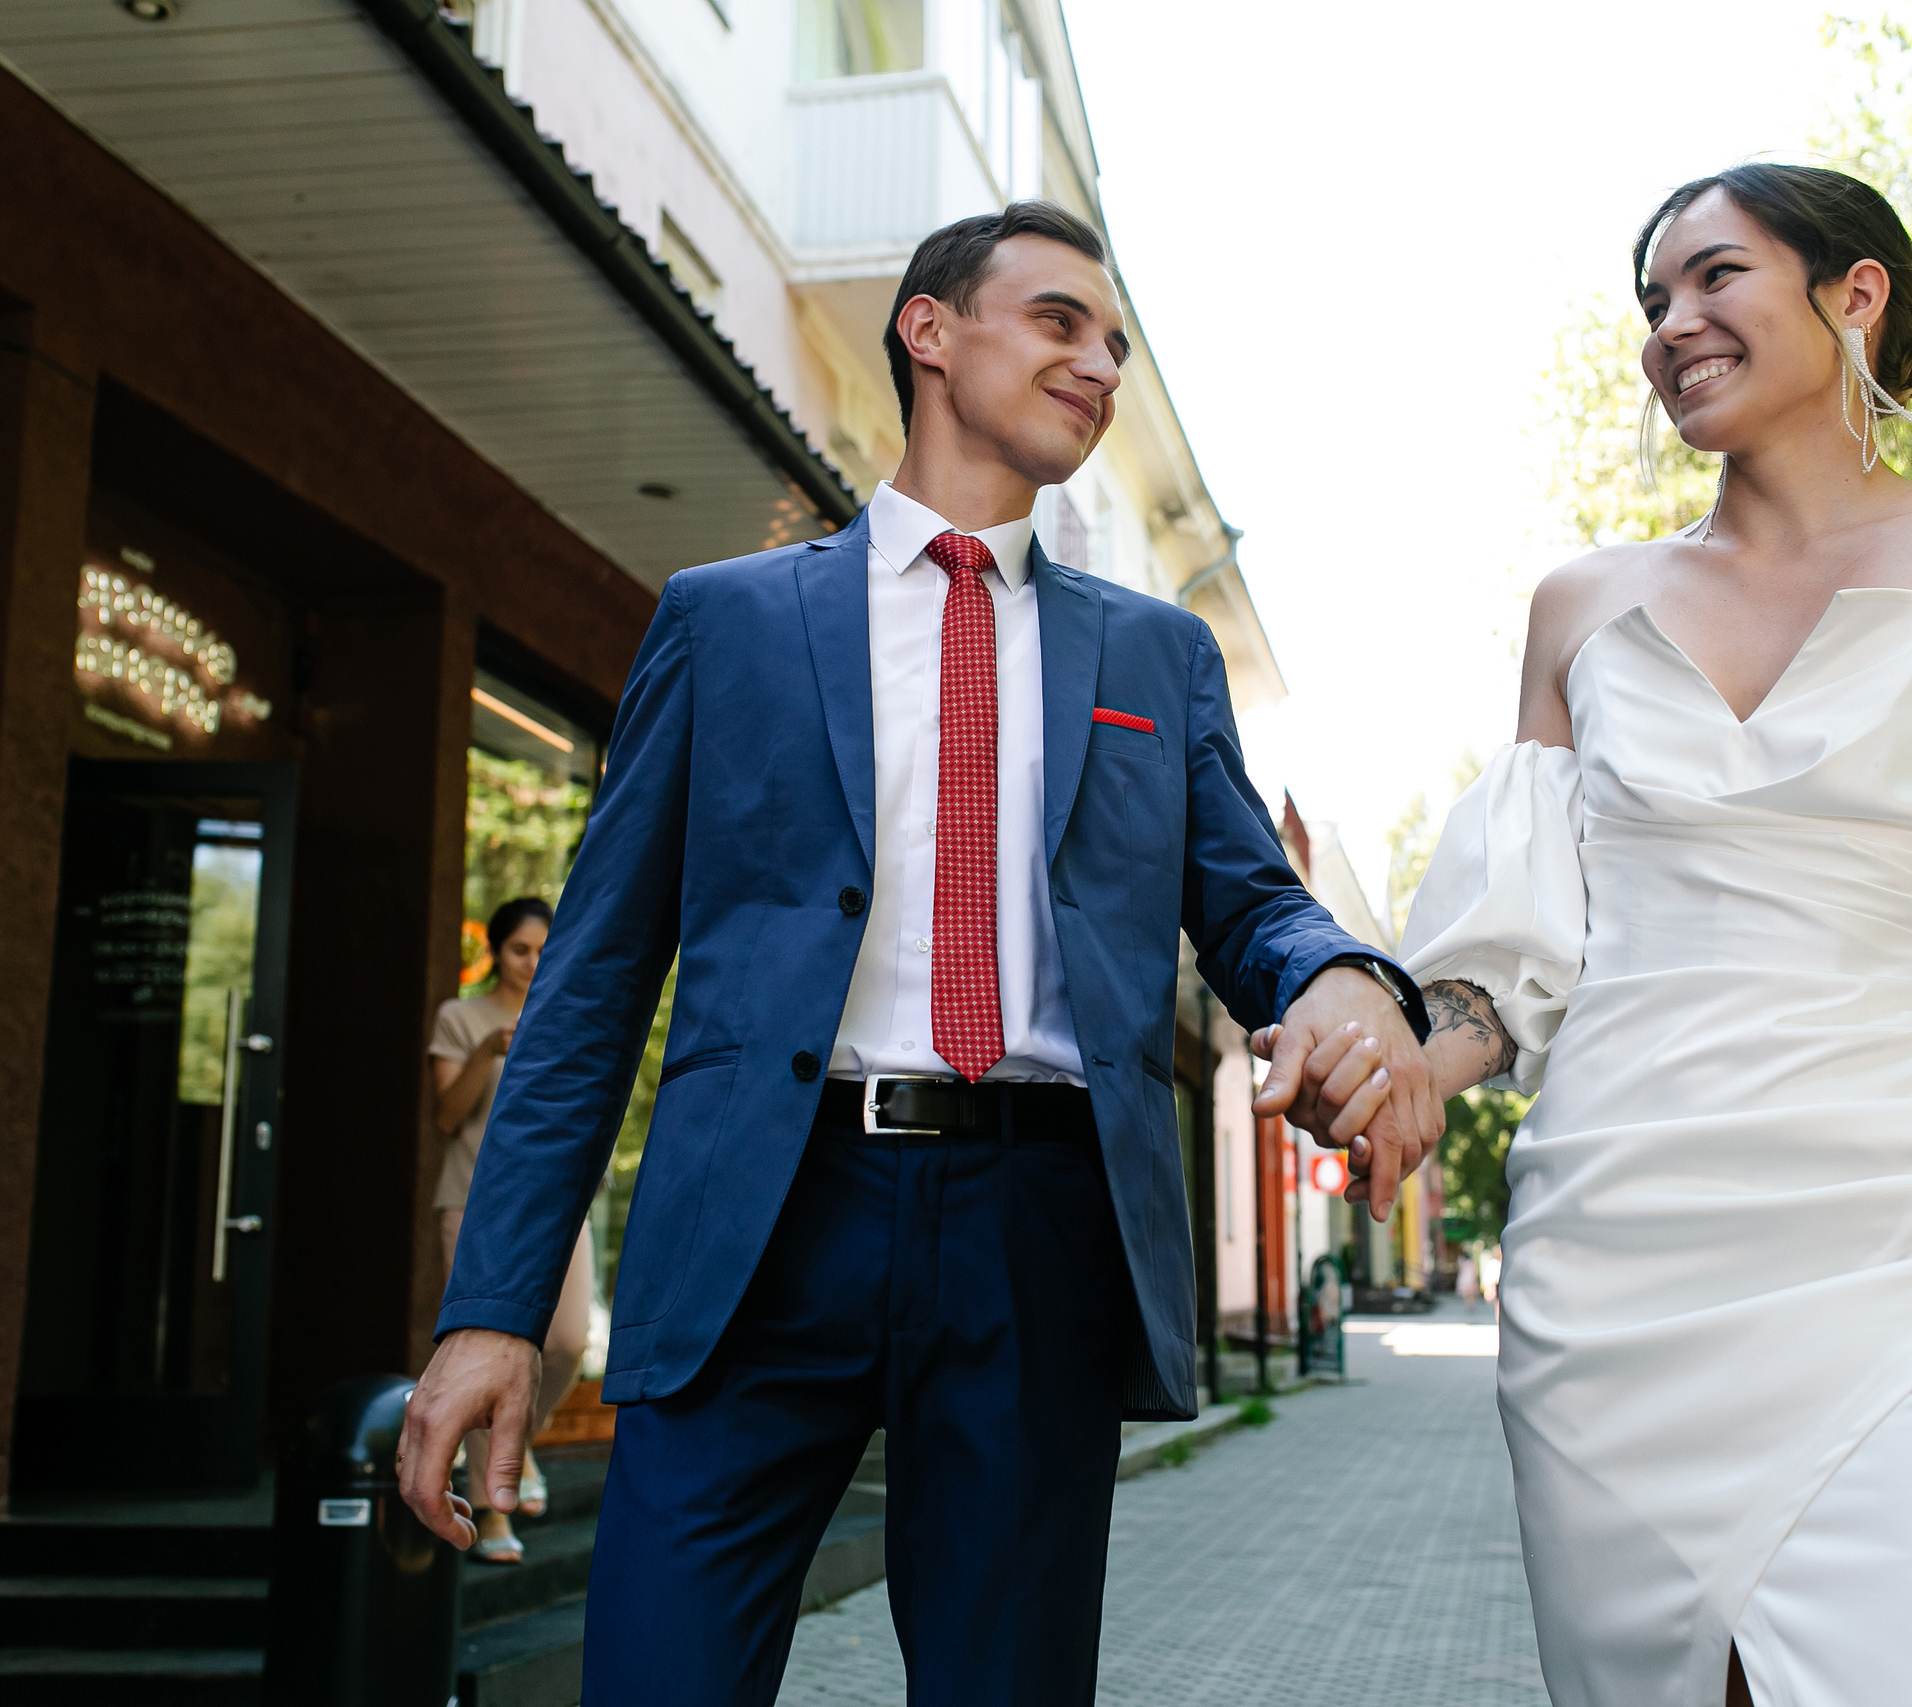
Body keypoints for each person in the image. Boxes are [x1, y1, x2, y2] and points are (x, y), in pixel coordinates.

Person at [1274, 164, 1912, 1704]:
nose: (1672, 325)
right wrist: (1400, 1054)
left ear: (1856, 292)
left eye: (1712, 277)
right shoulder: (1580, 604)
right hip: (1620, 1265)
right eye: (1652, 301)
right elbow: (1514, 968)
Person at [396, 200, 1436, 1706]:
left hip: (1036, 1222)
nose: (1099, 364)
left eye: (1118, 344)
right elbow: (593, 983)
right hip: (763, 1219)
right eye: (1060, 321)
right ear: (929, 331)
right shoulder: (725, 623)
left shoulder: (1155, 656)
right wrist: (493, 1307)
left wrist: (1340, 972)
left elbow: (1253, 902)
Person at [427, 896, 595, 1565]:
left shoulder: (565, 1014)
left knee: (567, 1341)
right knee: (480, 1355)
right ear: (496, 950)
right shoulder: (460, 1017)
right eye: (519, 949)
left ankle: (516, 1442)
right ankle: (493, 1517)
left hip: (560, 1206)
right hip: (474, 1208)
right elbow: (445, 1117)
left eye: (541, 950)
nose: (530, 962)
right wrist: (488, 1052)